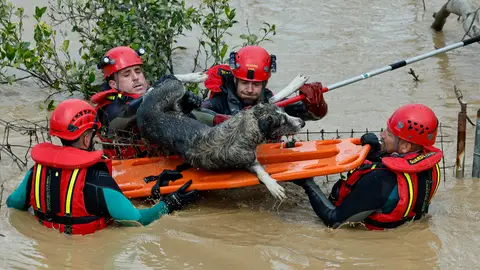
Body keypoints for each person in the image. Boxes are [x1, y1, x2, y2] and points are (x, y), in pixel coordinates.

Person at [6, 99, 199, 235]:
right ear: (86, 137)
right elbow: (138, 221)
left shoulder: (36, 173)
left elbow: (13, 204)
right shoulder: (99, 181)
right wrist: (170, 203)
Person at [294, 103, 443, 230]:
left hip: (371, 238)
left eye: (389, 134)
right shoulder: (430, 164)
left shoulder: (379, 180)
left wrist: (307, 183)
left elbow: (333, 221)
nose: (382, 135)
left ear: (405, 146)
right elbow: (400, 167)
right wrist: (377, 151)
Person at [90, 46, 204, 159]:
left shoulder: (151, 94)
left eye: (138, 71)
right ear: (113, 84)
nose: (135, 78)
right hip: (131, 167)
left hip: (161, 158)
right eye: (126, 74)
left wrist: (183, 108)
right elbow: (129, 115)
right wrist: (158, 89)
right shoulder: (111, 109)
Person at [200, 45, 328, 125]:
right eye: (244, 83)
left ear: (265, 83)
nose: (249, 90)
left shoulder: (274, 103)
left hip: (269, 160)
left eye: (256, 84)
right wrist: (224, 120)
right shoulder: (217, 104)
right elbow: (191, 117)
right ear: (235, 80)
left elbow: (313, 115)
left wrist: (316, 104)